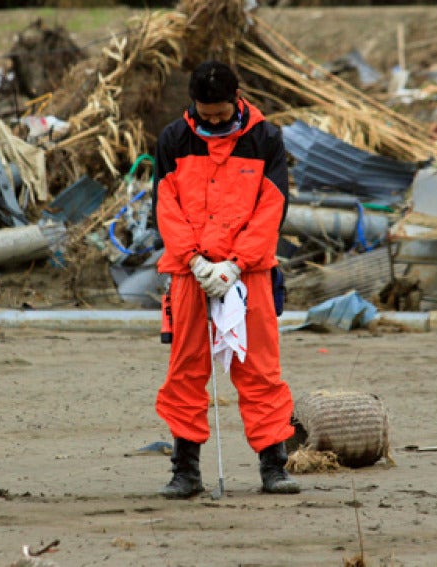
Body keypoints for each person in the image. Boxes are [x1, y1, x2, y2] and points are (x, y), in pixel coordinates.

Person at [151, 60, 299, 499]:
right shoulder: (174, 139)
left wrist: (235, 264)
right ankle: (186, 471)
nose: (212, 121)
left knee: (260, 370)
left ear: (237, 100)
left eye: (220, 114)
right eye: (205, 113)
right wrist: (195, 260)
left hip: (249, 273)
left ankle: (274, 466)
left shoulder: (266, 138)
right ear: (193, 105)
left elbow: (272, 207)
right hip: (188, 273)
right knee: (186, 369)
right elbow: (167, 205)